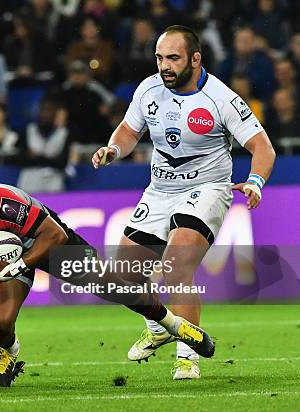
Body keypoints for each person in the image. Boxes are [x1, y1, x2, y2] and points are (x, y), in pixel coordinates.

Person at [0, 171, 217, 387]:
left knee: (114, 288)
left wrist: (17, 264)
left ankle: (174, 325)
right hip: (5, 258)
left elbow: (52, 235)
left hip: (47, 244)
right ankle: (9, 351)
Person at [92, 25, 276, 380]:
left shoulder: (221, 99)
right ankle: (160, 325)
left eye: (173, 58)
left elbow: (262, 147)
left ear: (195, 59)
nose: (164, 66)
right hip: (160, 190)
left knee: (177, 266)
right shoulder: (148, 89)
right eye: (160, 57)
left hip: (208, 189)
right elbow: (130, 131)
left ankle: (186, 355)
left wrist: (255, 182)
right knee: (125, 276)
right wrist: (113, 148)